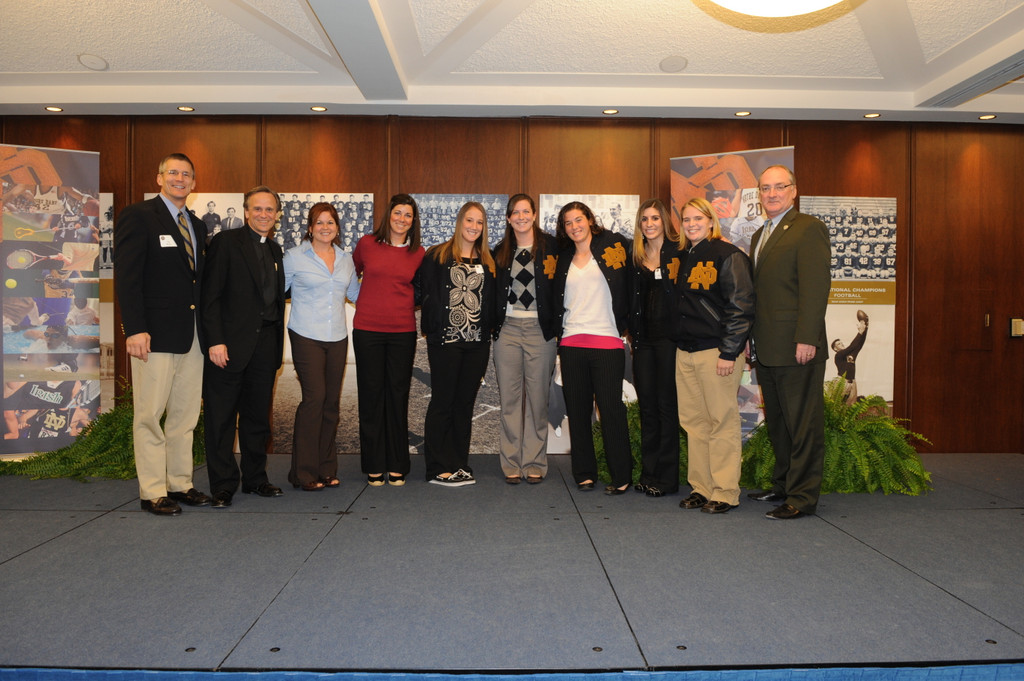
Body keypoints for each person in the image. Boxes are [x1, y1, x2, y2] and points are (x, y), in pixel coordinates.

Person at [113, 152, 211, 516]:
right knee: (150, 415)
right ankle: (153, 490)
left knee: (185, 417)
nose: (179, 179)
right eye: (173, 172)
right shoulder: (138, 217)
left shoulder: (197, 226)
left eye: (186, 174)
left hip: (193, 337)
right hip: (152, 336)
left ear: (194, 183)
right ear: (159, 178)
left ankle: (180, 483)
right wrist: (135, 329)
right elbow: (127, 277)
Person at [747, 165, 831, 520]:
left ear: (794, 191)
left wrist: (806, 338)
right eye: (765, 188)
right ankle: (782, 485)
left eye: (779, 187)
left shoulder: (809, 228)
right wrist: (751, 338)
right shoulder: (759, 235)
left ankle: (802, 497)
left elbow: (815, 288)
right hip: (767, 347)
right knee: (779, 422)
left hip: (798, 347)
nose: (772, 194)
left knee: (802, 424)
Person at [201, 186, 286, 508]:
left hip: (265, 345)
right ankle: (223, 485)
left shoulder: (275, 249)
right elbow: (210, 297)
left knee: (256, 419)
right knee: (221, 419)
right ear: (246, 212)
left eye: (270, 210)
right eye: (258, 209)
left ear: (277, 215)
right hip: (229, 345)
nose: (264, 214)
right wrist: (215, 341)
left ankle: (255, 479)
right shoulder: (225, 243)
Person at [673, 197, 754, 514]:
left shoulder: (728, 255)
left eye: (697, 218)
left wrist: (729, 352)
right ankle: (701, 488)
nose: (691, 224)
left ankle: (725, 491)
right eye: (686, 219)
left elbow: (741, 307)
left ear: (711, 221)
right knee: (694, 423)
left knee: (721, 422)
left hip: (717, 353)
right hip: (686, 352)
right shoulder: (685, 256)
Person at [552, 201, 633, 495]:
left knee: (611, 410)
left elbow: (630, 282)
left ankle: (621, 475)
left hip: (608, 341)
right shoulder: (563, 257)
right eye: (568, 223)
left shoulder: (614, 244)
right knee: (578, 410)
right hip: (572, 343)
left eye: (579, 220)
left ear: (590, 220)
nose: (574, 226)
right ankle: (584, 473)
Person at [282, 202, 360, 491]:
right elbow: (276, 291)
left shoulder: (345, 259)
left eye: (330, 222)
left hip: (337, 337)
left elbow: (354, 294)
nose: (325, 227)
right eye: (319, 222)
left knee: (330, 405)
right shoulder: (294, 257)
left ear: (337, 227)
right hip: (305, 335)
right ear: (310, 227)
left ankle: (327, 469)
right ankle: (303, 472)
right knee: (314, 400)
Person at [418, 201, 495, 486]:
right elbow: (425, 293)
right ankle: (436, 467)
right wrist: (432, 328)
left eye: (479, 222)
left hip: (477, 344)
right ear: (459, 221)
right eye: (469, 220)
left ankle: (459, 463)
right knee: (443, 402)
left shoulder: (487, 260)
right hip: (445, 342)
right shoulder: (437, 255)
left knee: (464, 404)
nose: (474, 227)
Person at [352, 194, 426, 487]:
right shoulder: (366, 244)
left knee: (397, 398)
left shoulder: (418, 253)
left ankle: (397, 463)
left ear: (413, 221)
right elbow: (351, 275)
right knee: (371, 397)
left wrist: (403, 304)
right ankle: (373, 463)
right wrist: (367, 301)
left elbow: (421, 290)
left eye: (408, 215)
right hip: (368, 331)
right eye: (398, 213)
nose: (402, 219)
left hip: (402, 333)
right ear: (388, 215)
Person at [492, 194, 558, 484]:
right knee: (510, 400)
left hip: (539, 332)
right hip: (507, 331)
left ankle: (534, 461)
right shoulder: (499, 251)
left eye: (525, 211)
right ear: (508, 218)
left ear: (534, 215)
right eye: (515, 212)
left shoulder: (552, 248)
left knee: (537, 400)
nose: (520, 217)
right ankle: (511, 463)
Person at [627, 198, 682, 498]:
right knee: (647, 408)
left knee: (666, 408)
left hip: (670, 342)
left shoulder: (679, 253)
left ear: (664, 221)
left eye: (654, 218)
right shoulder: (636, 256)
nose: (649, 224)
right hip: (643, 342)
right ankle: (648, 474)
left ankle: (667, 479)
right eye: (644, 219)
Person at [832, 310, 869, 403]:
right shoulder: (838, 355)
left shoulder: (851, 355)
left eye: (841, 342)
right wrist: (860, 333)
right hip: (843, 383)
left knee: (851, 407)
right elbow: (852, 346)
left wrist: (865, 328)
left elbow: (859, 344)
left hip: (853, 383)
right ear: (835, 349)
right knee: (840, 407)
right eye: (839, 344)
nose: (842, 344)